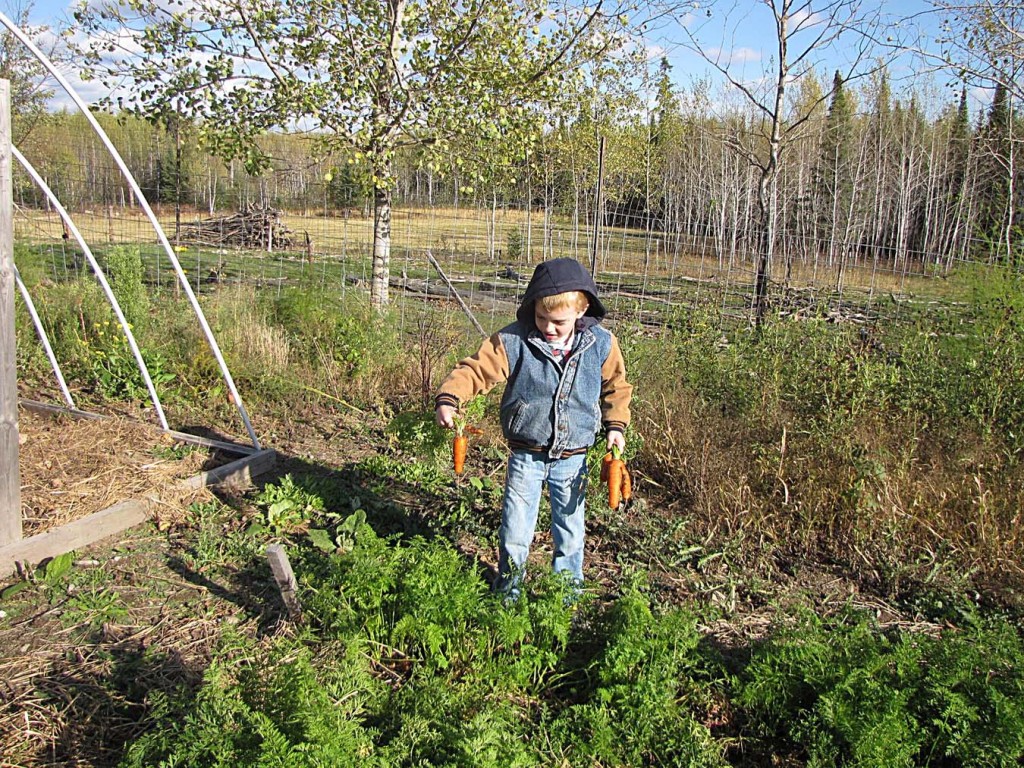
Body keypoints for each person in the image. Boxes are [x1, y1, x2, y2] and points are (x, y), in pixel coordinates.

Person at [435, 257, 632, 600]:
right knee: (515, 529)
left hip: (573, 457)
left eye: (558, 322)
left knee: (570, 532)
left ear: (582, 309)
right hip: (527, 454)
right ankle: (508, 593)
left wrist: (615, 425)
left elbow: (616, 387)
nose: (548, 328)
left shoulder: (601, 344)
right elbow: (476, 370)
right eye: (541, 318)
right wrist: (450, 398)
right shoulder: (514, 341)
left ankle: (564, 597)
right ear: (533, 308)